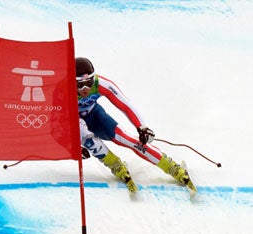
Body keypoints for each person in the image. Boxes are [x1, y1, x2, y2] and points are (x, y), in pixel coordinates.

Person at [75, 57, 196, 195]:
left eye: (89, 82)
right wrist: (72, 146)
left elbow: (125, 105)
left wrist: (141, 127)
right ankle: (115, 165)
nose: (85, 88)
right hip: (73, 122)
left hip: (95, 115)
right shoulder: (63, 90)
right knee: (88, 138)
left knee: (125, 138)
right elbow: (56, 122)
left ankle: (172, 167)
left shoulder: (101, 84)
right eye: (80, 84)